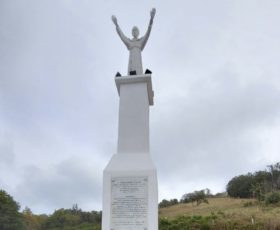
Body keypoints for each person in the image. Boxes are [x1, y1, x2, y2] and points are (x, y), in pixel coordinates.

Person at [112, 8, 156, 75]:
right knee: (131, 74)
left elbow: (148, 33)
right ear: (132, 33)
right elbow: (121, 35)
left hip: (138, 64)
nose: (134, 32)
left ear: (138, 33)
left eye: (136, 30)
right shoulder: (129, 42)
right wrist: (116, 24)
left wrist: (151, 19)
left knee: (139, 74)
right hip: (131, 63)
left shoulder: (141, 41)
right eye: (133, 31)